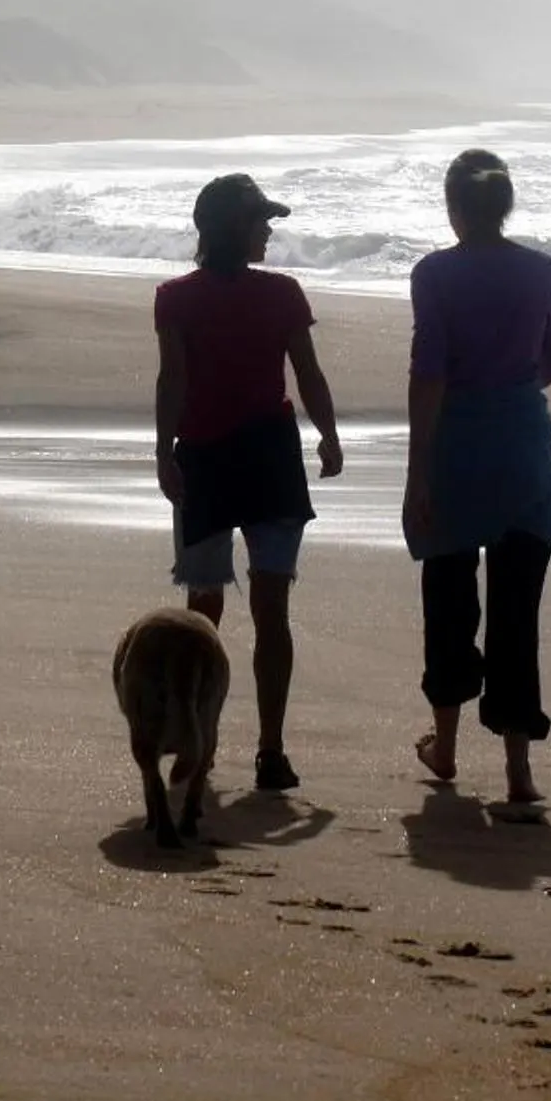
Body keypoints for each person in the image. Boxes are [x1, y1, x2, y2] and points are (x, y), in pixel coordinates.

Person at [402, 148, 551, 813]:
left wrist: (416, 472)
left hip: (456, 448)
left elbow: (429, 371)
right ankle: (516, 769)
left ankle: (446, 746)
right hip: (523, 449)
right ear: (505, 206)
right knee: (517, 611)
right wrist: (512, 387)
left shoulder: (434, 274)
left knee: (449, 600)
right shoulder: (542, 270)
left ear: (453, 208)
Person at [154, 172, 343, 793]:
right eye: (260, 222)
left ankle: (200, 745)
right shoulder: (283, 294)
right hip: (267, 458)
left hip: (207, 456)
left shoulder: (176, 297)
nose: (268, 231)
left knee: (203, 612)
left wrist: (164, 451)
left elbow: (173, 383)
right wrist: (328, 434)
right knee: (270, 609)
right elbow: (307, 375)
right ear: (234, 228)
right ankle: (269, 750)